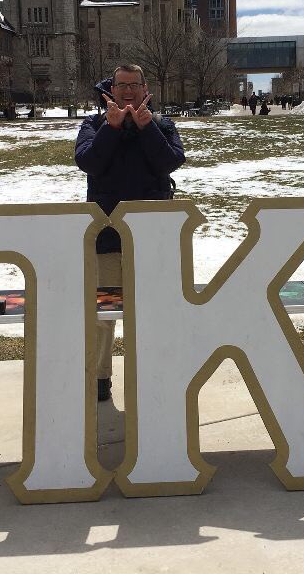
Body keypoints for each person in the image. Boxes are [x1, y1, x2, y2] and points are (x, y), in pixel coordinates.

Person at [75, 64, 185, 402]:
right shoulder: (93, 125)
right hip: (107, 236)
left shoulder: (161, 124)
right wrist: (111, 127)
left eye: (133, 85)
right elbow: (88, 163)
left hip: (151, 238)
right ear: (111, 88)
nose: (127, 91)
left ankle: (154, 370)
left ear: (144, 88)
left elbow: (170, 162)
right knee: (102, 313)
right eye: (121, 84)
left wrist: (146, 128)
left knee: (153, 309)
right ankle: (99, 378)